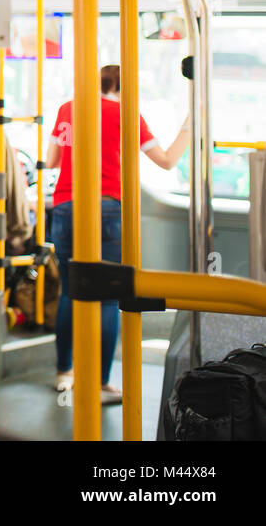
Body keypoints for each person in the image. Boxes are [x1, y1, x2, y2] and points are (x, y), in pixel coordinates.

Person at [45, 64, 190, 398]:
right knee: (108, 297)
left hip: (67, 205)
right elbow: (167, 161)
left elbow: (52, 160)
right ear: (124, 87)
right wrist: (188, 124)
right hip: (109, 206)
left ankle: (64, 372)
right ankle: (99, 383)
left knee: (70, 289)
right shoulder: (125, 113)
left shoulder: (68, 108)